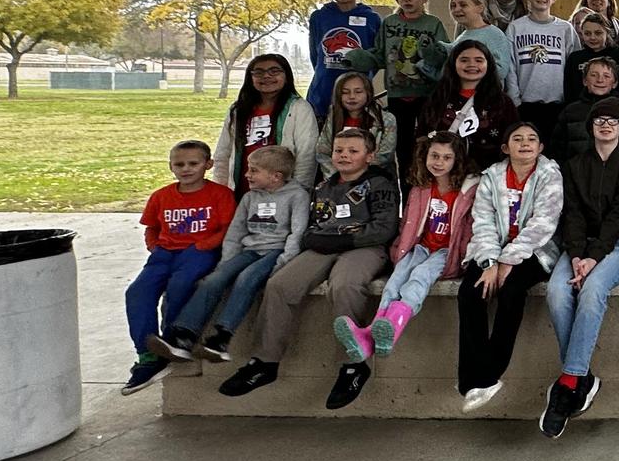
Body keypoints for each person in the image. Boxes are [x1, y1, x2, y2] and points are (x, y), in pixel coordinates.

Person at [219, 129, 399, 410]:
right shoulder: (325, 186)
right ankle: (265, 361)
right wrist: (316, 240)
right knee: (280, 285)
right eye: (339, 150)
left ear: (370, 156)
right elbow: (313, 226)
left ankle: (354, 365)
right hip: (324, 246)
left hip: (364, 247)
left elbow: (384, 228)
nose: (344, 156)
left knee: (344, 285)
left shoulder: (380, 184)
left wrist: (343, 240)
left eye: (353, 151)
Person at [538, 97, 619, 438]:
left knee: (594, 290)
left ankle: (568, 382)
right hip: (578, 248)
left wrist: (593, 258)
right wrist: (578, 254)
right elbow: (573, 215)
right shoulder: (574, 165)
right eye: (600, 119)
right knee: (556, 291)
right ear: (591, 126)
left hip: (618, 245)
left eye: (613, 120)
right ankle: (582, 376)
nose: (606, 124)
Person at [148, 145, 308, 366]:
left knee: (246, 280)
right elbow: (236, 231)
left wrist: (283, 262)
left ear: (275, 176)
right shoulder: (250, 197)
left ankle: (222, 338)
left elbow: (297, 232)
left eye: (254, 171)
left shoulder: (297, 196)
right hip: (249, 249)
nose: (247, 175)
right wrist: (226, 263)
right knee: (213, 280)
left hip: (275, 251)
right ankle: (183, 336)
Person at [453, 122, 559, 411]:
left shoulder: (550, 175)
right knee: (471, 293)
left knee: (511, 291)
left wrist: (508, 260)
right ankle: (470, 382)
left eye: (532, 139)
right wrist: (490, 261)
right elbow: (483, 221)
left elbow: (543, 225)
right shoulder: (491, 177)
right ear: (505, 147)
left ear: (541, 147)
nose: (525, 144)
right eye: (517, 139)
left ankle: (488, 374)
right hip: (493, 249)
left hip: (534, 252)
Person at [122, 140, 236, 395]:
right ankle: (148, 355)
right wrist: (154, 247)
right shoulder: (162, 196)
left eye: (193, 164)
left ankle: (171, 342)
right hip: (164, 253)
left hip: (199, 252)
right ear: (171, 166)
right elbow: (152, 227)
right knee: (138, 292)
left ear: (208, 165)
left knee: (181, 285)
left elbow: (227, 228)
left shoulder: (220, 194)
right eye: (179, 164)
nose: (186, 169)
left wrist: (203, 246)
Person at [361, 132, 477, 359]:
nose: (439, 162)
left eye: (446, 158)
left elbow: (470, 229)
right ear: (425, 156)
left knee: (419, 277)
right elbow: (408, 225)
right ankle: (371, 333)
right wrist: (399, 251)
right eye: (434, 156)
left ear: (457, 161)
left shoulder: (467, 192)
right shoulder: (420, 189)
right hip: (422, 247)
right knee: (396, 279)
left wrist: (464, 256)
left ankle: (393, 328)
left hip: (446, 252)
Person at [344, 0, 447, 172]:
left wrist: (429, 53)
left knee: (428, 144)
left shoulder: (433, 23)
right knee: (403, 149)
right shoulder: (389, 23)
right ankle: (407, 194)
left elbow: (443, 55)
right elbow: (379, 54)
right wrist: (356, 59)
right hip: (397, 95)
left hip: (427, 95)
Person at [212, 53, 319, 195]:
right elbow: (223, 153)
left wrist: (297, 193)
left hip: (283, 194)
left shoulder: (299, 108)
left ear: (286, 76)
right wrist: (221, 191)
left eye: (274, 71)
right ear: (251, 78)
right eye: (259, 72)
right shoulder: (238, 110)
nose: (267, 76)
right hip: (243, 191)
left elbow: (307, 155)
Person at [421, 39, 519, 169]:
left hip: (488, 178)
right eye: (464, 60)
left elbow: (513, 141)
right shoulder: (437, 98)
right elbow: (422, 138)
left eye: (479, 60)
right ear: (453, 63)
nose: (472, 64)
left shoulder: (503, 102)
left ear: (488, 64)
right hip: (443, 178)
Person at [508, 0, 580, 142]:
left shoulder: (565, 28)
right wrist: (515, 100)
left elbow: (574, 65)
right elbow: (510, 67)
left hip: (558, 104)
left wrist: (570, 99)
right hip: (525, 104)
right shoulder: (516, 27)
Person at [305, 0, 382, 118]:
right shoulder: (319, 17)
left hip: (357, 94)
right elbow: (315, 54)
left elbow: (376, 57)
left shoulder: (372, 18)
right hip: (323, 91)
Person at [432, 0, 519, 103]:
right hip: (461, 99)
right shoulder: (463, 35)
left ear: (480, 7)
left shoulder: (494, 34)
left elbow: (501, 70)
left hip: (485, 100)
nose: (457, 9)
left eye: (463, 5)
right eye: (453, 6)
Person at [313, 72, 396, 174]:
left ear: (368, 93)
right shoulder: (333, 117)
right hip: (338, 179)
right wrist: (338, 175)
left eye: (358, 92)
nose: (352, 96)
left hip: (375, 179)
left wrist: (356, 175)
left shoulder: (386, 119)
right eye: (345, 92)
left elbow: (385, 156)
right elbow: (322, 152)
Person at [553, 57, 619, 159]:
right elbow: (557, 148)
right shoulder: (570, 111)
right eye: (594, 75)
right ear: (585, 81)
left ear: (615, 83)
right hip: (575, 172)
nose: (600, 80)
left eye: (606, 76)